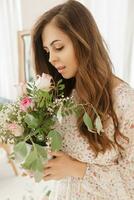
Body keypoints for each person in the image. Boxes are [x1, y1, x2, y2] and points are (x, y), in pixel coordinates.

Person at [31, 0, 134, 199]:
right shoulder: (66, 95)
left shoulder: (125, 102)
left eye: (58, 47)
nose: (51, 58)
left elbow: (131, 184)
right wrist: (40, 161)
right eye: (47, 51)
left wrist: (77, 169)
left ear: (83, 40)